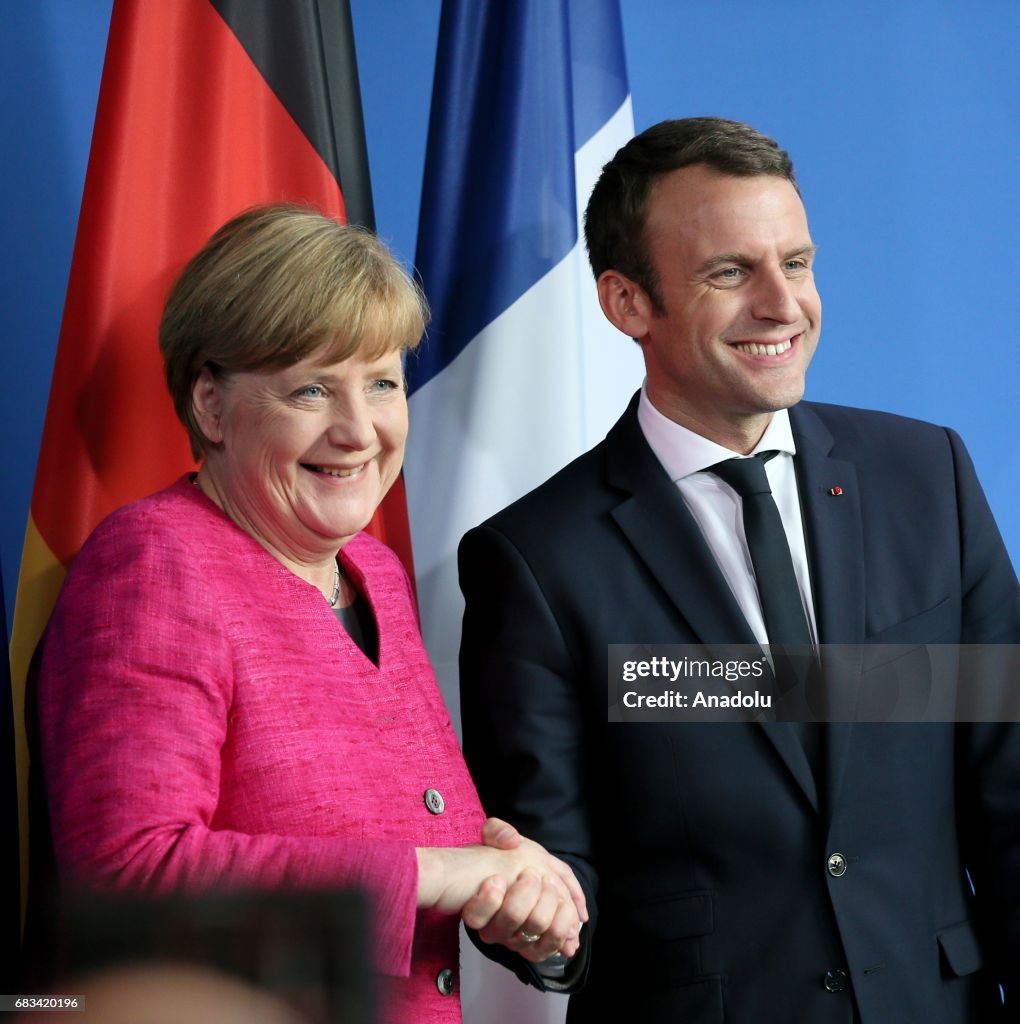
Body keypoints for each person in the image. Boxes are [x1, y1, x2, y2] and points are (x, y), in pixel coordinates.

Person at [458, 118, 1020, 1022]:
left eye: (795, 263)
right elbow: (555, 879)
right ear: (627, 303)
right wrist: (540, 925)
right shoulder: (534, 560)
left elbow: (1009, 784)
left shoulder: (929, 477)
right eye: (731, 272)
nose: (782, 304)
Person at [34, 204, 586, 1024]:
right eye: (311, 389)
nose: (358, 430)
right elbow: (128, 876)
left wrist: (514, 889)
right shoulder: (154, 562)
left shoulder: (372, 571)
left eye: (384, 384)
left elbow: (404, 837)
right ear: (212, 407)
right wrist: (436, 873)